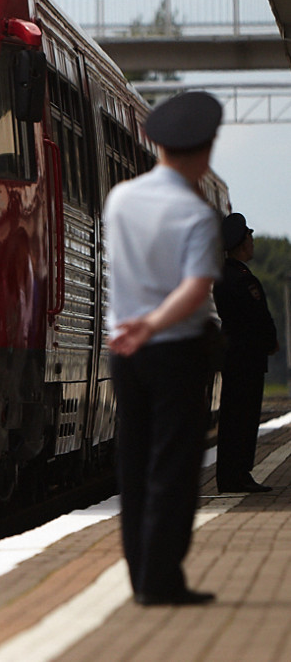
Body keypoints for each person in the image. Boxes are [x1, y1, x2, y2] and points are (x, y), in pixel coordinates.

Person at [104, 90, 224, 607]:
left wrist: (136, 327)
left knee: (133, 461)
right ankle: (162, 580)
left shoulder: (120, 199)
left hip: (123, 350)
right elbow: (196, 289)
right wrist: (153, 325)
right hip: (173, 350)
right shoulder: (195, 215)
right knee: (172, 465)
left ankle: (139, 576)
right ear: (203, 151)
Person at [214, 212, 279, 493]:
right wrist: (270, 342)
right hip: (248, 358)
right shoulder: (243, 279)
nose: (253, 242)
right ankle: (239, 475)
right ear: (242, 242)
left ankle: (229, 475)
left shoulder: (223, 276)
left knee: (231, 419)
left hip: (232, 357)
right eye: (250, 237)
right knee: (244, 419)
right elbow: (259, 318)